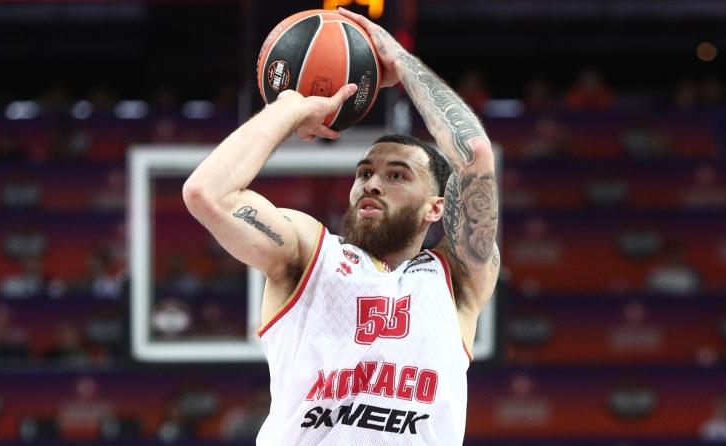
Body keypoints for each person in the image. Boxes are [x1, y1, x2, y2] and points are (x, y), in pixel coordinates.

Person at [182, 7, 499, 445]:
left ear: (436, 208)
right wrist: (291, 108)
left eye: (397, 175)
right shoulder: (310, 254)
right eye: (364, 173)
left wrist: (404, 65)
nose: (372, 184)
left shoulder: (456, 280)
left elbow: (474, 155)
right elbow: (208, 194)